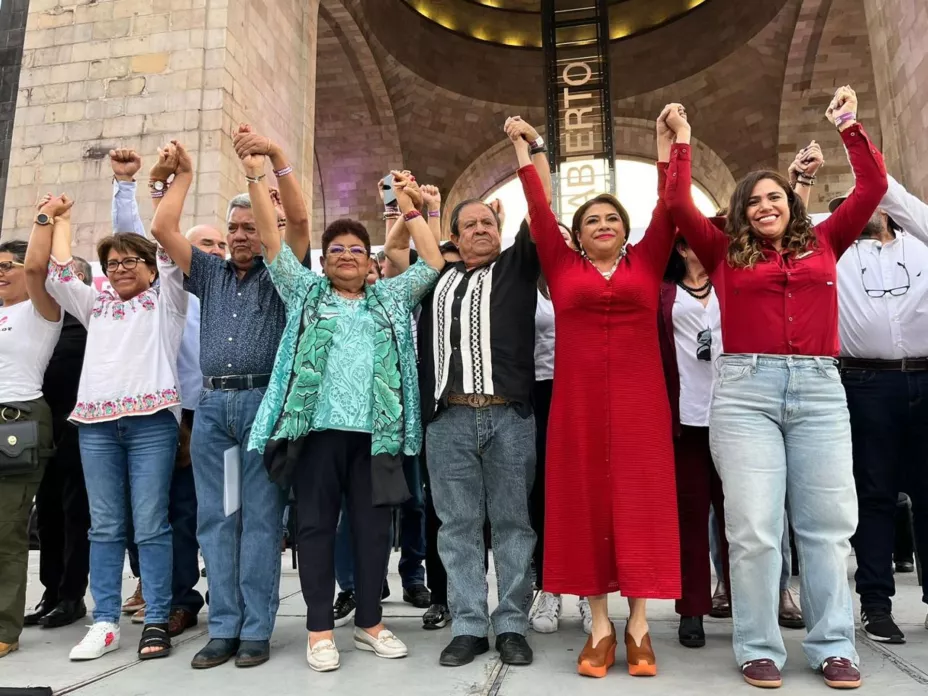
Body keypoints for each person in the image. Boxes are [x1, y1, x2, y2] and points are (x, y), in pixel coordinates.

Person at [666, 85, 887, 690]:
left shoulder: (824, 241)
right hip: (745, 392)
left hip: (819, 388)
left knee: (826, 524)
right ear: (741, 214)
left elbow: (869, 189)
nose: (765, 206)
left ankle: (832, 643)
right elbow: (679, 207)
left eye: (774, 197)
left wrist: (848, 124)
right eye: (753, 201)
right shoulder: (721, 251)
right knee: (756, 527)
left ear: (791, 202)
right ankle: (758, 645)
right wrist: (681, 145)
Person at [243, 153, 442, 671]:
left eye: (358, 249)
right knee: (312, 527)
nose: (347, 256)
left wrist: (412, 209)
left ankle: (371, 624)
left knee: (374, 529)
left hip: (377, 435)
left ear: (372, 261)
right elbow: (270, 242)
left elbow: (433, 264)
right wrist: (255, 176)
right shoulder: (306, 293)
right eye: (337, 250)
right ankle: (318, 630)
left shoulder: (392, 300)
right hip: (315, 434)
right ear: (324, 261)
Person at [514, 107, 682, 679]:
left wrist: (671, 146)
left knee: (640, 502)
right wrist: (524, 153)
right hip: (577, 405)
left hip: (641, 404)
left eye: (612, 217)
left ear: (626, 229)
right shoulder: (562, 268)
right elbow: (539, 213)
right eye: (592, 220)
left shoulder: (650, 259)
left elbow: (671, 206)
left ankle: (638, 624)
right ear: (578, 236)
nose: (603, 223)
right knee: (583, 502)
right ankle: (600, 623)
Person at [151, 127, 311, 670]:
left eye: (250, 227)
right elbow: (161, 227)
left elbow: (299, 221)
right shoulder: (210, 272)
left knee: (262, 519)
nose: (241, 236)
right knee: (218, 519)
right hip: (215, 410)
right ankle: (223, 626)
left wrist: (266, 167)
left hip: (263, 405)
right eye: (233, 228)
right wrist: (185, 176)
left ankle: (256, 629)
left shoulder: (281, 272)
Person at [30, 145, 192, 662]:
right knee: (104, 525)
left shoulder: (168, 299)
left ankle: (157, 620)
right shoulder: (95, 303)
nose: (121, 268)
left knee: (151, 524)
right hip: (96, 427)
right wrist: (61, 219)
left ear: (149, 267)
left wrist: (152, 185)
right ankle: (103, 621)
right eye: (112, 263)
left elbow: (165, 245)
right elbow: (57, 276)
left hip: (150, 425)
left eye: (130, 261)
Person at [414, 118, 550, 669]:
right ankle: (469, 622)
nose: (479, 230)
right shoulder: (438, 274)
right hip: (448, 421)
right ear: (454, 235)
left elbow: (540, 209)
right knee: (458, 525)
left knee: (515, 523)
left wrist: (530, 149)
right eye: (467, 224)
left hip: (508, 416)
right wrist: (412, 204)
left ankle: (512, 621)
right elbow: (420, 230)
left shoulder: (518, 267)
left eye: (487, 221)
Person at [109, 148, 223, 637]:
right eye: (206, 243)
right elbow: (135, 242)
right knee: (171, 513)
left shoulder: (237, 289)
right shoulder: (167, 294)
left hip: (223, 414)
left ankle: (226, 590)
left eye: (221, 243)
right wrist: (128, 186)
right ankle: (178, 598)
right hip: (174, 418)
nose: (215, 250)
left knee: (224, 511)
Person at [829, 172, 928, 644]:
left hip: (927, 377)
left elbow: (896, 193)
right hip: (866, 382)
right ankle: (875, 603)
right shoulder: (839, 252)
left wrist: (861, 152)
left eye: (869, 199)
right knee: (874, 495)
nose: (862, 207)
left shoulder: (921, 240)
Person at [658, 234, 729, 649]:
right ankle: (692, 610)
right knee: (690, 516)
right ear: (683, 249)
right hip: (686, 416)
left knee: (742, 517)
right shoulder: (664, 292)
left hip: (736, 412)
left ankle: (756, 602)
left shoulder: (730, 282)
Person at [0, 228, 64, 658]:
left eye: (7, 266)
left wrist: (48, 220)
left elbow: (42, 266)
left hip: (17, 417)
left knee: (6, 528)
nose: (0, 273)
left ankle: (4, 627)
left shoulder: (41, 310)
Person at [25, 254, 92, 631]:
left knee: (74, 516)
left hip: (78, 432)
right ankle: (50, 592)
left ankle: (71, 595)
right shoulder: (40, 324)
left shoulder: (86, 322)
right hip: (39, 432)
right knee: (47, 515)